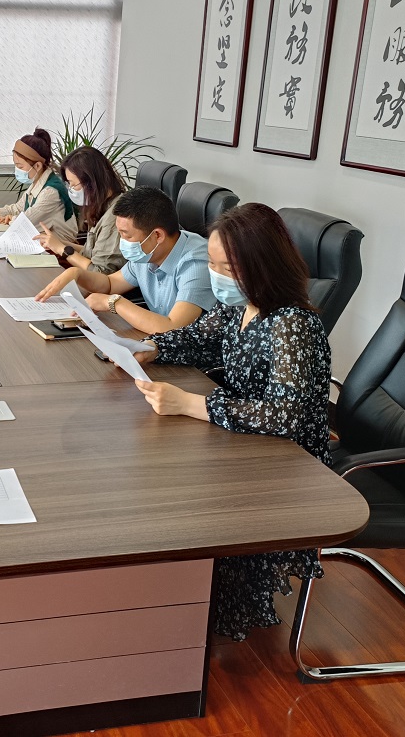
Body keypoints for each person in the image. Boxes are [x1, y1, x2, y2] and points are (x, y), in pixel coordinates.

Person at [132, 203, 332, 642]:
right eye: (212, 263)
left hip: (287, 463)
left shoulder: (293, 325)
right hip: (244, 441)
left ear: (263, 265)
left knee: (176, 482)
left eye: (229, 267)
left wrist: (192, 404)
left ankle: (191, 606)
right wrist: (151, 347)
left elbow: (285, 416)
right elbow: (196, 338)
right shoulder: (238, 308)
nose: (218, 276)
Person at [35, 186, 215, 334]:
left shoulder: (196, 264)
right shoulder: (149, 250)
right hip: (157, 343)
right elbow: (110, 284)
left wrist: (112, 302)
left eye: (126, 235)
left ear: (157, 235)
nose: (122, 242)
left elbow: (172, 327)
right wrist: (77, 274)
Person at [0, 128, 76, 239]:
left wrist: (11, 219)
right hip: (41, 242)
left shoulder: (50, 192)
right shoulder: (38, 182)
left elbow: (24, 222)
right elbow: (17, 209)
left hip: (59, 247)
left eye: (20, 166)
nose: (17, 170)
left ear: (37, 166)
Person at [32, 145, 126, 276]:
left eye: (73, 184)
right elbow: (91, 253)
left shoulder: (116, 216)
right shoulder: (102, 206)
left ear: (92, 182)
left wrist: (61, 248)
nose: (71, 189)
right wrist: (57, 242)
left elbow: (100, 273)